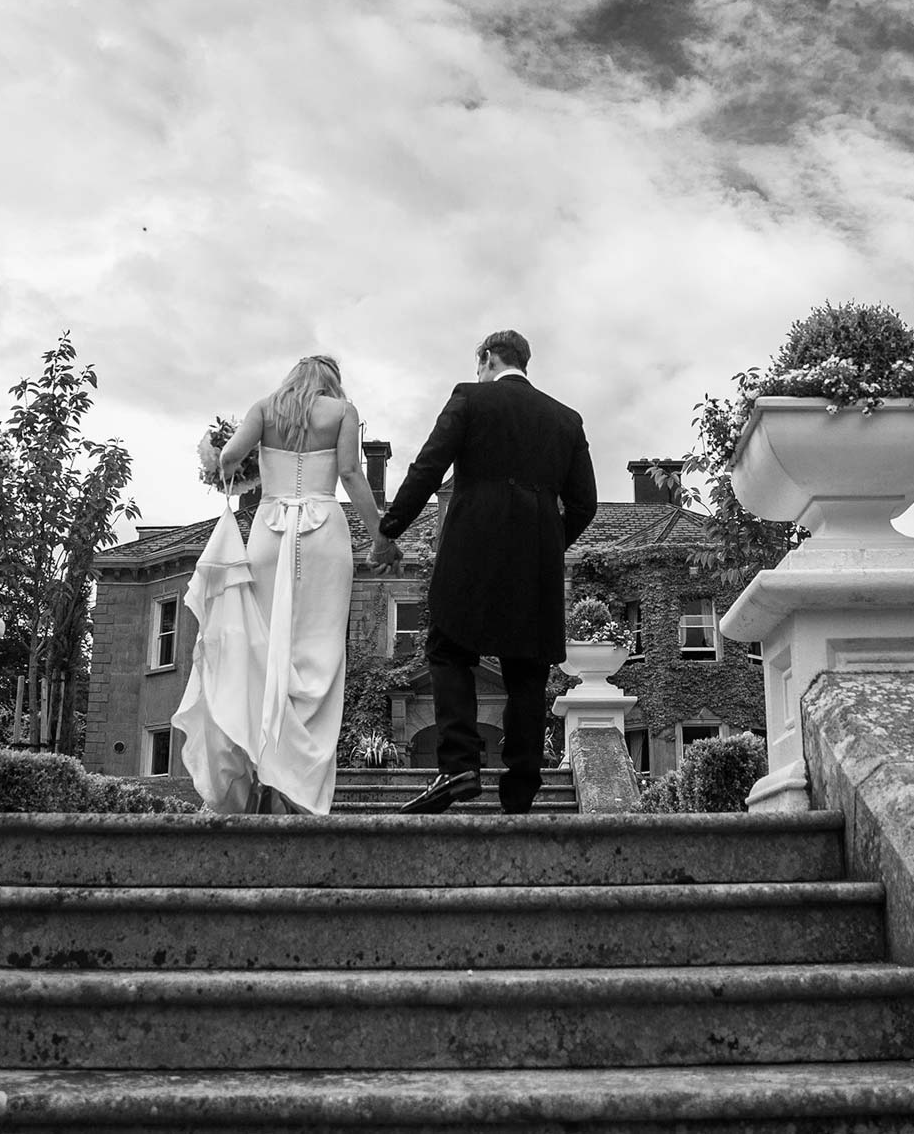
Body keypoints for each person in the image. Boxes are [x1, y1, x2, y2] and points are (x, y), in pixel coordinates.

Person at [371, 330, 597, 814]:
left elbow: (428, 469)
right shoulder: (566, 419)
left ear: (488, 358)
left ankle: (459, 766)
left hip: (472, 547)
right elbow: (585, 504)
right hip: (535, 557)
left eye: (480, 365)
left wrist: (389, 529)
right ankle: (521, 787)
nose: (478, 373)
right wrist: (550, 542)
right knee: (527, 668)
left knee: (448, 647)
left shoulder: (470, 398)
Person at [173, 355, 384, 814]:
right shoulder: (342, 412)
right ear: (332, 381)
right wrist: (381, 536)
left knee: (266, 648)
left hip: (268, 532)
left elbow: (228, 460)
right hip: (324, 531)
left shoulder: (266, 408)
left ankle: (261, 768)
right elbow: (350, 473)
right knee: (319, 653)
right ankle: (297, 783)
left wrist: (247, 468)